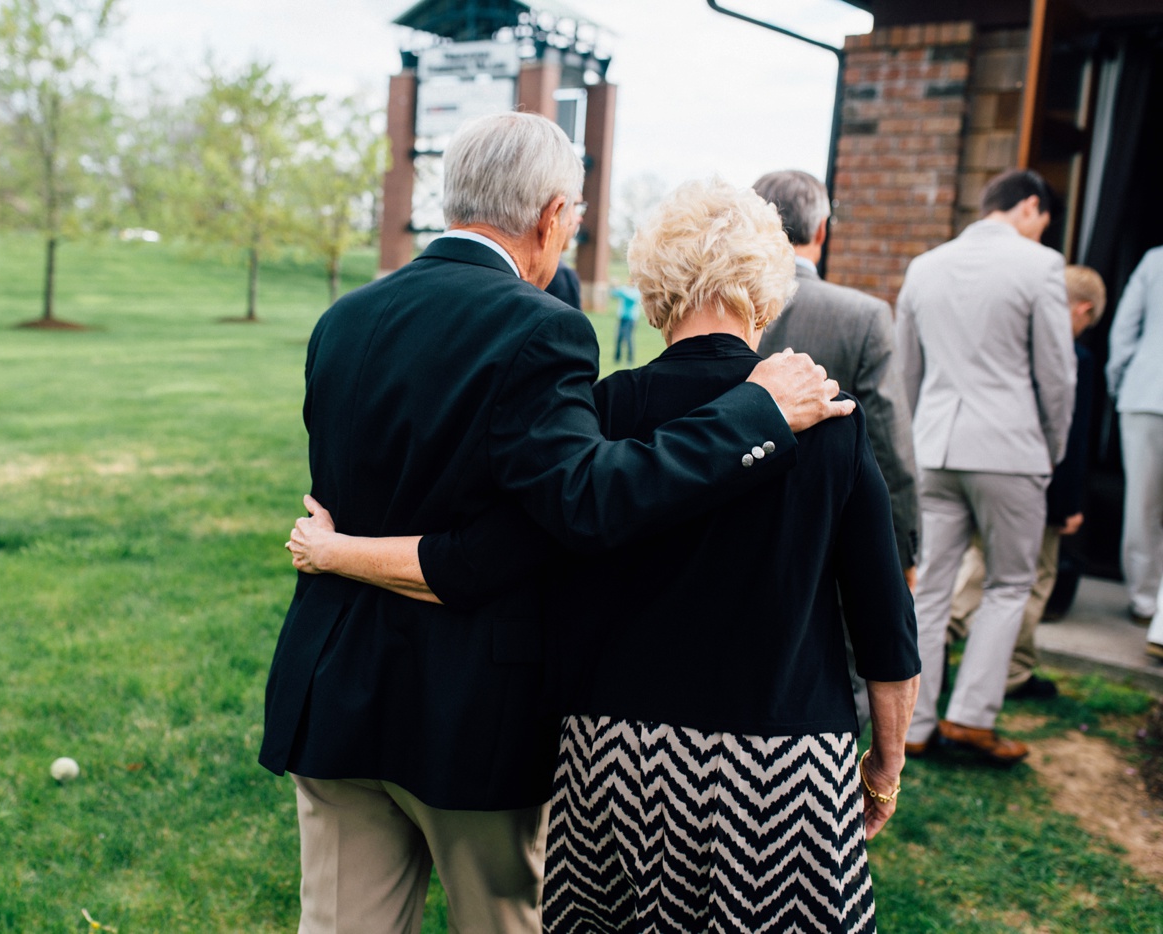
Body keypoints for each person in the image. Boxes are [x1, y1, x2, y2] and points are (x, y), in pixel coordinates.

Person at [259, 112, 852, 933]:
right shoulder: (539, 328)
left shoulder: (346, 317)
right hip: (469, 711)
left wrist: (335, 551)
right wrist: (756, 415)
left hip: (335, 688)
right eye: (572, 218)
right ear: (551, 216)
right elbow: (586, 501)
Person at [895, 168, 1075, 764]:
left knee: (932, 590)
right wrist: (1052, 448)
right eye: (1043, 219)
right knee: (1009, 583)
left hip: (935, 447)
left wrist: (913, 444)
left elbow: (907, 373)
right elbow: (1056, 374)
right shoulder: (1041, 266)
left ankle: (914, 725)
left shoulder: (926, 266)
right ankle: (971, 717)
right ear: (1029, 207)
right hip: (1009, 447)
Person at [754, 168, 919, 730]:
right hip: (831, 534)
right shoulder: (863, 317)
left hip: (735, 528)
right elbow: (890, 448)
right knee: (840, 667)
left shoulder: (720, 304)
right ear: (821, 229)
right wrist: (904, 550)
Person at [948, 264, 1107, 697]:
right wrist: (1069, 502)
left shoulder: (1011, 344)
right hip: (1036, 482)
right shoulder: (1074, 357)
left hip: (979, 467)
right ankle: (1014, 671)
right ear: (1082, 310)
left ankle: (942, 639)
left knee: (980, 565)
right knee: (1034, 577)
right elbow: (1070, 435)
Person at [1106, 246, 1163, 652]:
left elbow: (1124, 330)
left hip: (1146, 394)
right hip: (1145, 393)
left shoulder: (1155, 260)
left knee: (1143, 505)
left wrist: (1119, 383)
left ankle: (1145, 600)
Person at [612, 282, 640, 364]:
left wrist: (620, 291)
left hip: (631, 319)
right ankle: (617, 358)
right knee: (618, 338)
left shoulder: (637, 291)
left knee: (628, 338)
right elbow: (613, 294)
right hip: (622, 318)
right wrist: (614, 287)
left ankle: (630, 359)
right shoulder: (624, 289)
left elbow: (631, 298)